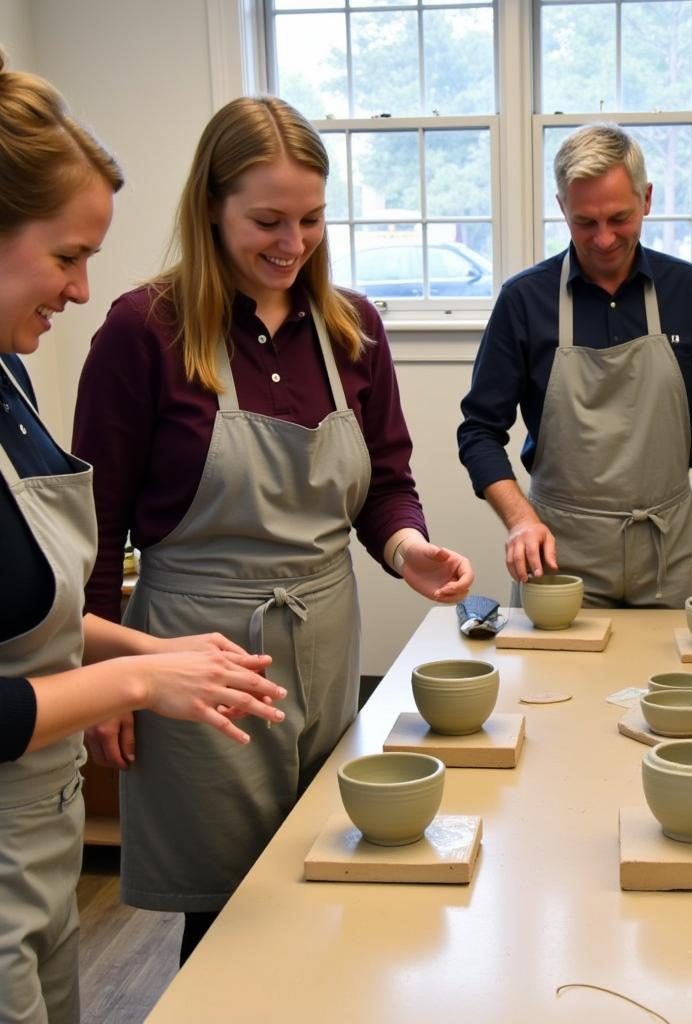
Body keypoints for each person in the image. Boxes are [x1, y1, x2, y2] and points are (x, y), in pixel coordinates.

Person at [72, 96, 473, 964]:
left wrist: (409, 550)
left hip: (327, 645)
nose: (293, 243)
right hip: (196, 657)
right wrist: (104, 681)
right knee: (230, 916)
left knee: (330, 874)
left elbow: (386, 483)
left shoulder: (354, 328)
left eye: (312, 219)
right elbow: (94, 529)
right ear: (211, 207)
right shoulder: (145, 331)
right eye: (267, 220)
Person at [0, 56, 286, 1024]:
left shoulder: (9, 380)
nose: (81, 290)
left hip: (41, 828)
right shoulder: (144, 331)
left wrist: (151, 648)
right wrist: (131, 683)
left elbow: (23, 619)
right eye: (66, 255)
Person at [457, 123, 692, 607]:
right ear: (562, 208)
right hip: (560, 556)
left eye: (619, 218)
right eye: (585, 222)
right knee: (555, 685)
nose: (603, 239)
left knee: (676, 681)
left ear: (646, 199)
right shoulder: (524, 300)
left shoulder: (685, 289)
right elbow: (478, 431)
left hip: (671, 551)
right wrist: (521, 519)